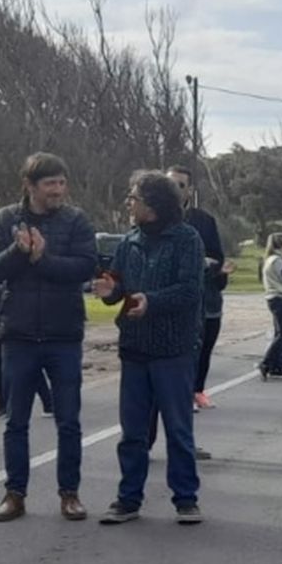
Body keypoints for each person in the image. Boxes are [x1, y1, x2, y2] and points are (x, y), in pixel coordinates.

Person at [0, 152, 98, 522]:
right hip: (18, 333)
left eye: (62, 183)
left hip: (63, 333)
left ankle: (69, 493)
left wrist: (42, 260)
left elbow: (85, 267)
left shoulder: (76, 220)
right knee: (16, 421)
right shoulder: (5, 219)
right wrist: (18, 250)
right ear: (30, 186)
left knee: (69, 420)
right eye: (50, 184)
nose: (58, 190)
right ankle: (15, 494)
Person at [95, 171, 205, 524]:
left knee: (178, 428)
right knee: (133, 432)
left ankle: (186, 498)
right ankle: (128, 499)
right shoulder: (128, 242)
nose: (129, 203)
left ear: (154, 205)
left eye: (134, 198)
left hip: (173, 350)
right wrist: (111, 291)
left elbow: (191, 290)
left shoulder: (187, 240)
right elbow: (119, 287)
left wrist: (151, 301)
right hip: (135, 349)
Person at [169, 165, 232, 411]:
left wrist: (214, 268)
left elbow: (217, 256)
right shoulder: (153, 219)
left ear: (189, 190)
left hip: (206, 295)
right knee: (182, 350)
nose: (174, 191)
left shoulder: (203, 221)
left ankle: (197, 389)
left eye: (180, 185)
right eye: (170, 185)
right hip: (174, 298)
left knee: (204, 344)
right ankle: (182, 393)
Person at [0, 243, 54, 420]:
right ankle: (3, 404)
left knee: (27, 358)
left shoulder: (26, 249)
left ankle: (47, 401)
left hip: (18, 312)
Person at [258, 231, 282, 379]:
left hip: (276, 297)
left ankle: (279, 364)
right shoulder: (277, 261)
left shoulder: (270, 259)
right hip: (281, 297)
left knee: (279, 332)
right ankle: (266, 362)